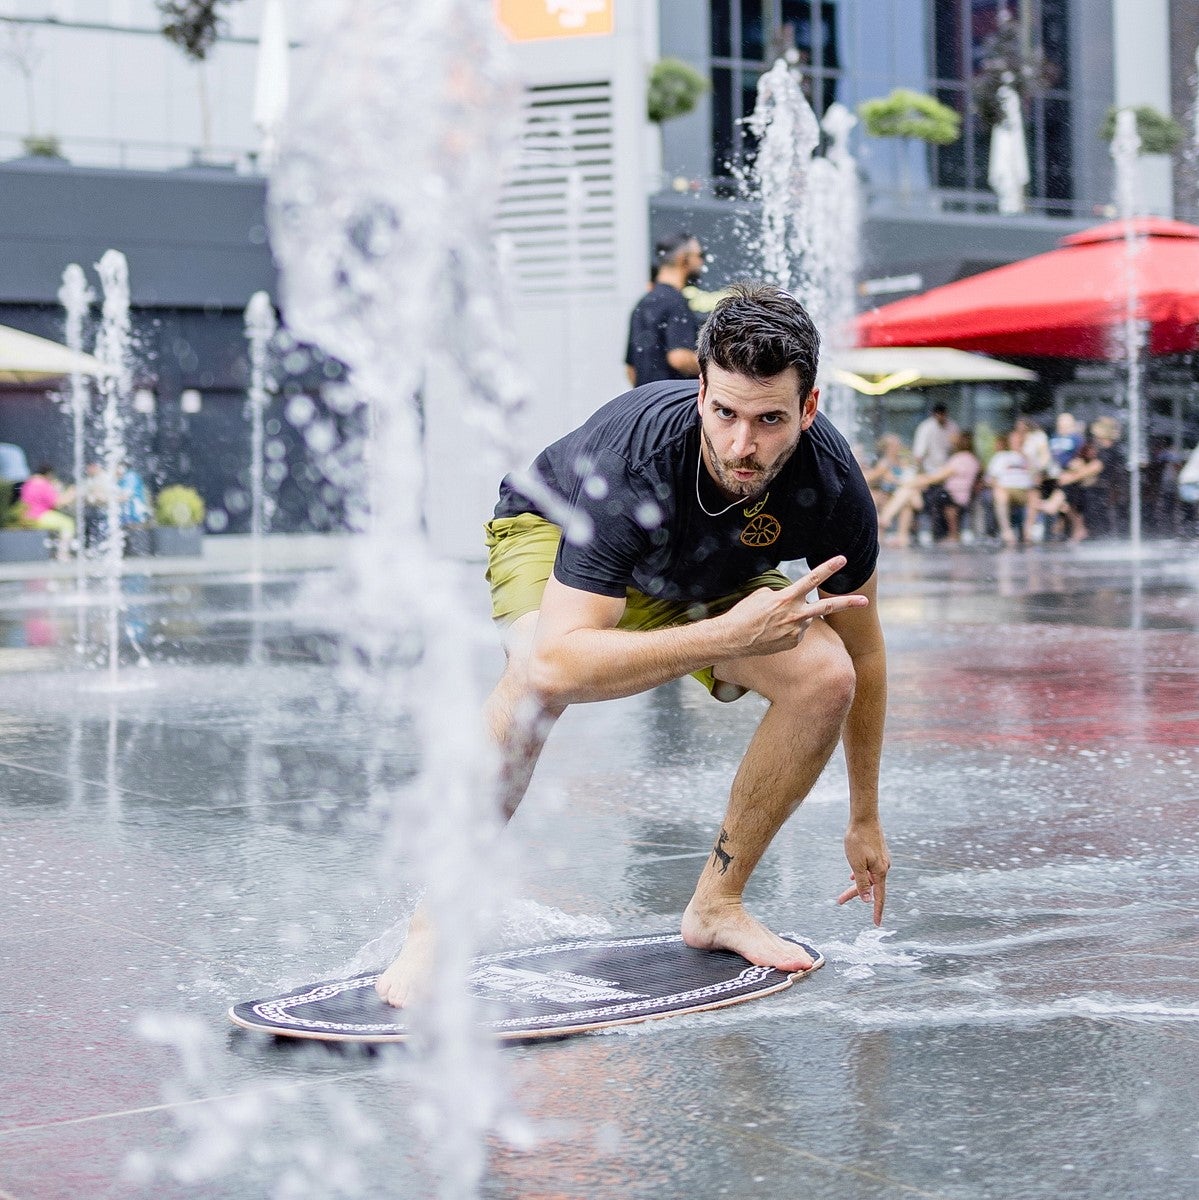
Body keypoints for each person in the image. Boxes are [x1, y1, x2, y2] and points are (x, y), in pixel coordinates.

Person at [376, 283, 891, 1007]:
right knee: (533, 682)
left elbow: (865, 656)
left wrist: (863, 816)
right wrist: (723, 636)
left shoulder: (832, 484)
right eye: (725, 414)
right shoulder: (637, 455)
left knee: (823, 677)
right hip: (556, 532)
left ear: (808, 409)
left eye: (770, 420)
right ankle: (432, 929)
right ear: (699, 390)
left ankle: (716, 906)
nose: (743, 445)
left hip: (709, 570)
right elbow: (559, 660)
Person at [624, 232, 705, 387]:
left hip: (647, 404)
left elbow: (631, 369)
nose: (701, 262)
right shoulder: (676, 302)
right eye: (700, 255)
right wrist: (720, 369)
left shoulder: (642, 304)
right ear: (684, 258)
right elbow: (679, 357)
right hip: (675, 405)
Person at [878, 430, 980, 547]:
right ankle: (902, 537)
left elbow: (935, 478)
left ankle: (885, 518)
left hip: (950, 497)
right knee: (908, 501)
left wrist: (911, 482)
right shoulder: (971, 459)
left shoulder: (960, 459)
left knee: (908, 490)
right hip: (954, 496)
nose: (950, 443)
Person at [985, 430, 1035, 546]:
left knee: (1034, 494)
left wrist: (1026, 456)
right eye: (1014, 439)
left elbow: (1036, 477)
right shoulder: (1001, 456)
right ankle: (1006, 531)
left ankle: (1028, 532)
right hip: (1006, 489)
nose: (1017, 441)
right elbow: (991, 479)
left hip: (1025, 491)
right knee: (1000, 493)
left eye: (1019, 439)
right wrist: (998, 486)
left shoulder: (1028, 457)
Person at [19, 465, 76, 560]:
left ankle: (54, 551)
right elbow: (57, 503)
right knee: (67, 523)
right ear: (49, 475)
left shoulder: (29, 483)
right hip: (38, 516)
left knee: (57, 522)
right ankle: (63, 553)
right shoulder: (43, 484)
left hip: (26, 516)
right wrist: (71, 493)